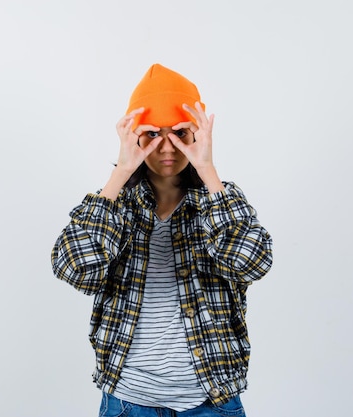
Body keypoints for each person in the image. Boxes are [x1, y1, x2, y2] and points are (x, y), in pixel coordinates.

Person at [51, 64, 273, 417]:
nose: (167, 147)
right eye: (153, 135)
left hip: (210, 399)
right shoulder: (114, 204)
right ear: (133, 137)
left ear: (197, 135)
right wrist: (121, 172)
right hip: (128, 398)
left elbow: (251, 263)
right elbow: (76, 270)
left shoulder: (219, 199)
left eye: (181, 134)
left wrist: (208, 171)